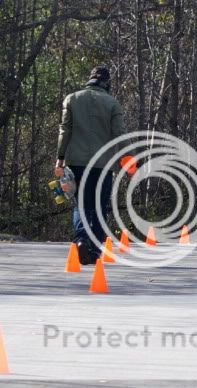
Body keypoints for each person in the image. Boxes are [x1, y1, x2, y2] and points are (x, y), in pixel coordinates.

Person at [55, 66, 129, 265]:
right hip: (102, 164)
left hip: (76, 162)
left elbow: (65, 130)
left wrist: (60, 157)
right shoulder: (112, 103)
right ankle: (95, 249)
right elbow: (119, 134)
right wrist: (129, 156)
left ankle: (80, 239)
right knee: (98, 206)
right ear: (107, 83)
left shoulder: (72, 99)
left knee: (81, 204)